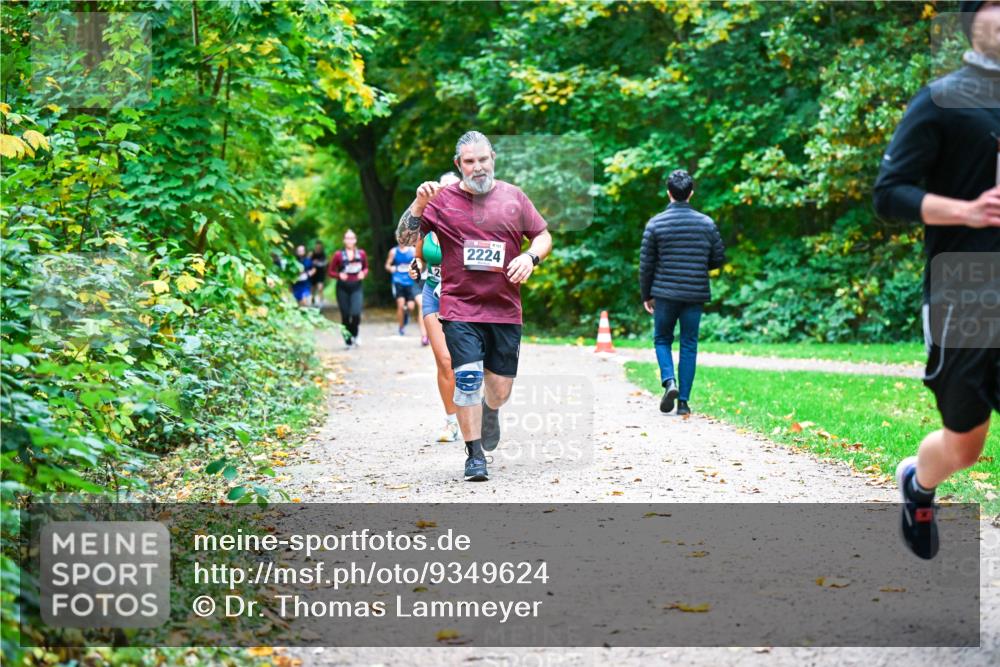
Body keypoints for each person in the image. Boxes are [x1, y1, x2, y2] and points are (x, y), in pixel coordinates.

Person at [873, 0, 1000, 560]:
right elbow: (890, 194)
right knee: (966, 443)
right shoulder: (942, 99)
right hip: (965, 290)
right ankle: (919, 484)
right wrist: (967, 211)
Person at [396, 131, 553, 482]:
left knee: (499, 390)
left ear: (492, 158)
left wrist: (530, 257)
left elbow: (543, 235)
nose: (478, 167)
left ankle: (490, 409)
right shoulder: (442, 201)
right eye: (469, 162)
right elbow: (405, 240)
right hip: (460, 308)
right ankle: (474, 455)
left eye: (482, 160)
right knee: (466, 378)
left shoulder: (514, 197)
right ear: (459, 165)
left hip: (504, 309)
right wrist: (419, 206)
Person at [639, 169, 725, 417]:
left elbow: (647, 265)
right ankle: (684, 402)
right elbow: (718, 258)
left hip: (665, 294)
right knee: (689, 344)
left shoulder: (655, 224)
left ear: (669, 193)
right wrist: (698, 264)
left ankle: (669, 382)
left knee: (662, 339)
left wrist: (647, 295)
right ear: (691, 193)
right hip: (694, 294)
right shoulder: (706, 223)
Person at [409, 171, 463, 443]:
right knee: (445, 361)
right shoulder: (428, 225)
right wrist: (416, 266)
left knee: (474, 362)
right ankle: (452, 421)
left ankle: (479, 413)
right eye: (443, 190)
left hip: (466, 297)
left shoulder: (471, 222)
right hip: (434, 292)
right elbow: (418, 256)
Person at [328, 230, 368, 348]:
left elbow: (365, 268)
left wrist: (363, 273)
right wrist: (338, 275)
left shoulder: (361, 254)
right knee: (345, 316)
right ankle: (347, 339)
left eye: (352, 238)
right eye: (347, 238)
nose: (350, 240)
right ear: (344, 240)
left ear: (355, 240)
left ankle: (355, 335)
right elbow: (330, 271)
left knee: (355, 314)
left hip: (357, 287)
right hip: (342, 288)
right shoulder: (338, 255)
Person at [385, 243, 422, 337]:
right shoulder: (393, 251)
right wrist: (391, 268)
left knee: (411, 307)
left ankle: (405, 316)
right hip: (398, 281)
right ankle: (401, 327)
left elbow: (419, 262)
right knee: (400, 304)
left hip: (410, 282)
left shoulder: (412, 251)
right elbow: (387, 265)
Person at [310, 241, 328, 308]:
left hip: (320, 273)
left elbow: (326, 263)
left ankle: (321, 302)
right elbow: (308, 262)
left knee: (320, 288)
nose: (318, 248)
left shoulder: (323, 255)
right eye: (317, 247)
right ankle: (312, 299)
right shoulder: (312, 254)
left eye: (319, 247)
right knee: (313, 288)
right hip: (313, 274)